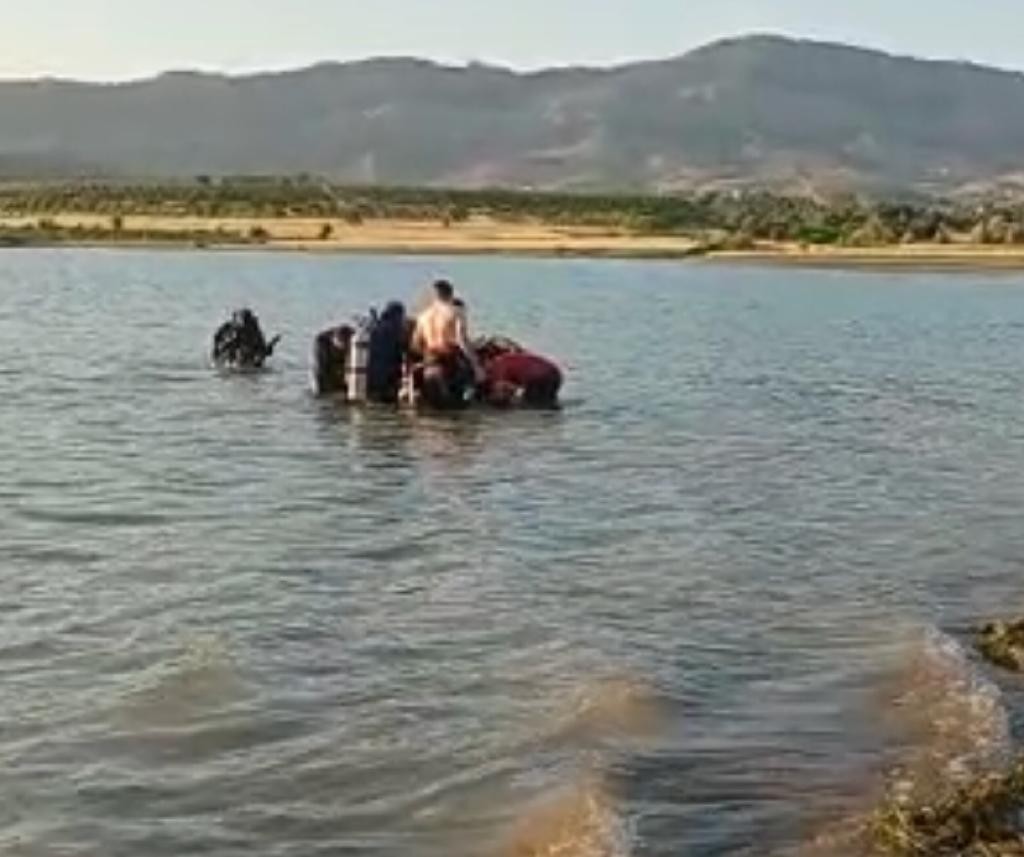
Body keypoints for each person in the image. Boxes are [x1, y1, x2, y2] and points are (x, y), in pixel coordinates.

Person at [409, 280, 483, 404]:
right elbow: (461, 340)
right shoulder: (456, 312)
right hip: (450, 364)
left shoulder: (422, 316)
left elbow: (415, 345)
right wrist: (476, 366)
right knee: (473, 388)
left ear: (433, 296)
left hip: (430, 363)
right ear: (451, 294)